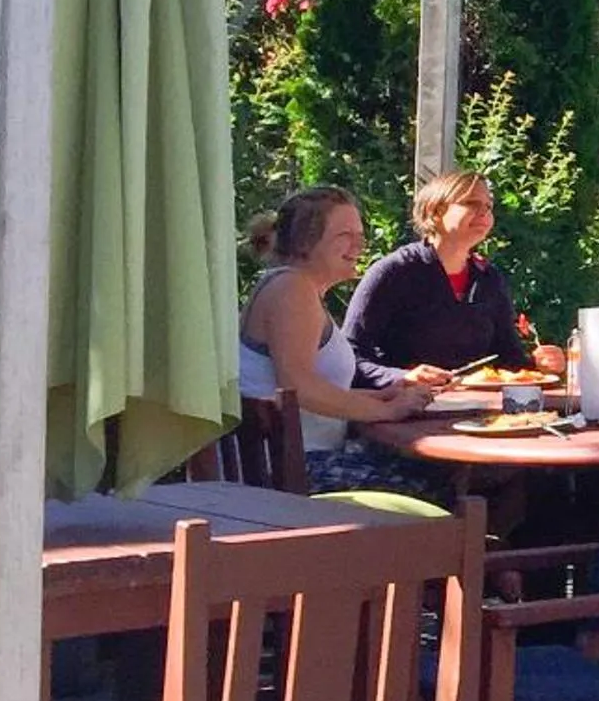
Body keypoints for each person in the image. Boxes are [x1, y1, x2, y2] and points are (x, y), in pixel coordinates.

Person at [239, 185, 436, 495]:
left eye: (360, 234)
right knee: (439, 483)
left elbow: (311, 391)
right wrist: (388, 411)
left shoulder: (294, 286)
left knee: (441, 471)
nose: (359, 244)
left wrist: (381, 396)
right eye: (345, 235)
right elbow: (296, 387)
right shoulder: (292, 289)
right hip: (286, 473)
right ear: (306, 242)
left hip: (297, 460)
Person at [343, 169, 561, 383]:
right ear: (435, 211)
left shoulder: (489, 279)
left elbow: (507, 359)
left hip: (477, 411)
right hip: (402, 410)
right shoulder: (394, 272)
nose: (484, 213)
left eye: (488, 206)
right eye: (472, 203)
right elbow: (350, 355)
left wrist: (537, 362)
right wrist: (403, 378)